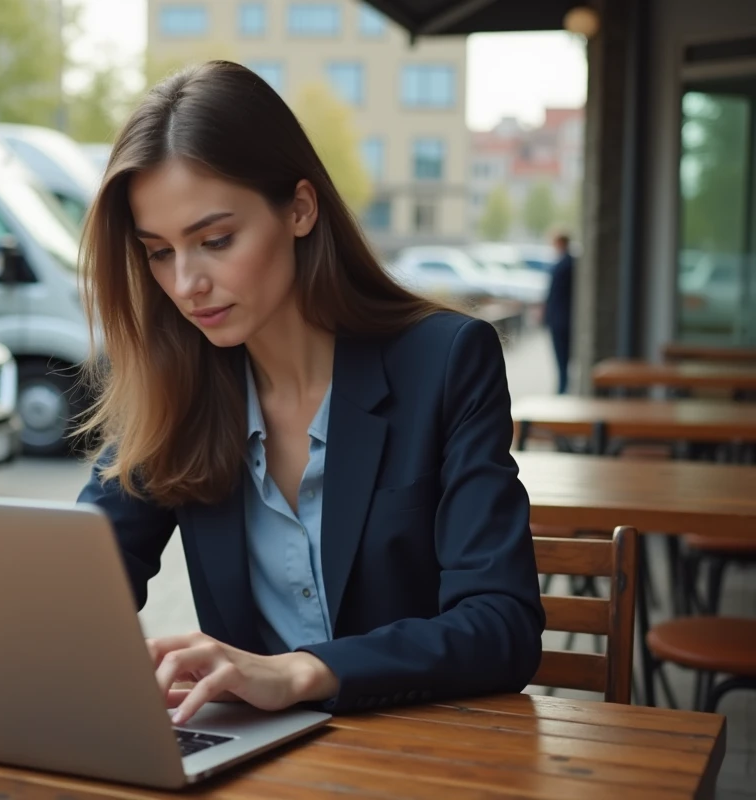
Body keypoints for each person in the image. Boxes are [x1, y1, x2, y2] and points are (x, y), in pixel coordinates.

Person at [74, 61, 544, 725]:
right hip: (257, 768)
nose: (185, 284)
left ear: (299, 208)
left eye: (215, 240)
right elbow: (75, 585)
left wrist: (299, 671)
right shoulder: (176, 387)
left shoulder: (444, 362)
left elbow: (502, 626)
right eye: (158, 252)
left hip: (422, 757)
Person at [543, 232, 575, 394]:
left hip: (561, 319)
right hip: (562, 318)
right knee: (562, 361)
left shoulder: (565, 264)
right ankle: (562, 390)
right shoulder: (568, 263)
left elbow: (555, 295)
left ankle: (562, 392)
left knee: (562, 360)